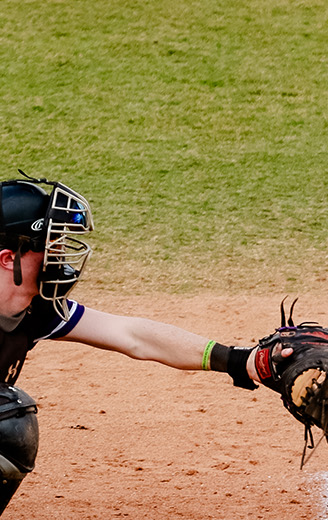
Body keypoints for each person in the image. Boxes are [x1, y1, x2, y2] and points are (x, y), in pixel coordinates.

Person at [0, 174, 290, 513]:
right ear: (9, 258)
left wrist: (242, 361)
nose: (62, 254)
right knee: (8, 423)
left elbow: (134, 336)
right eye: (51, 245)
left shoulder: (37, 309)